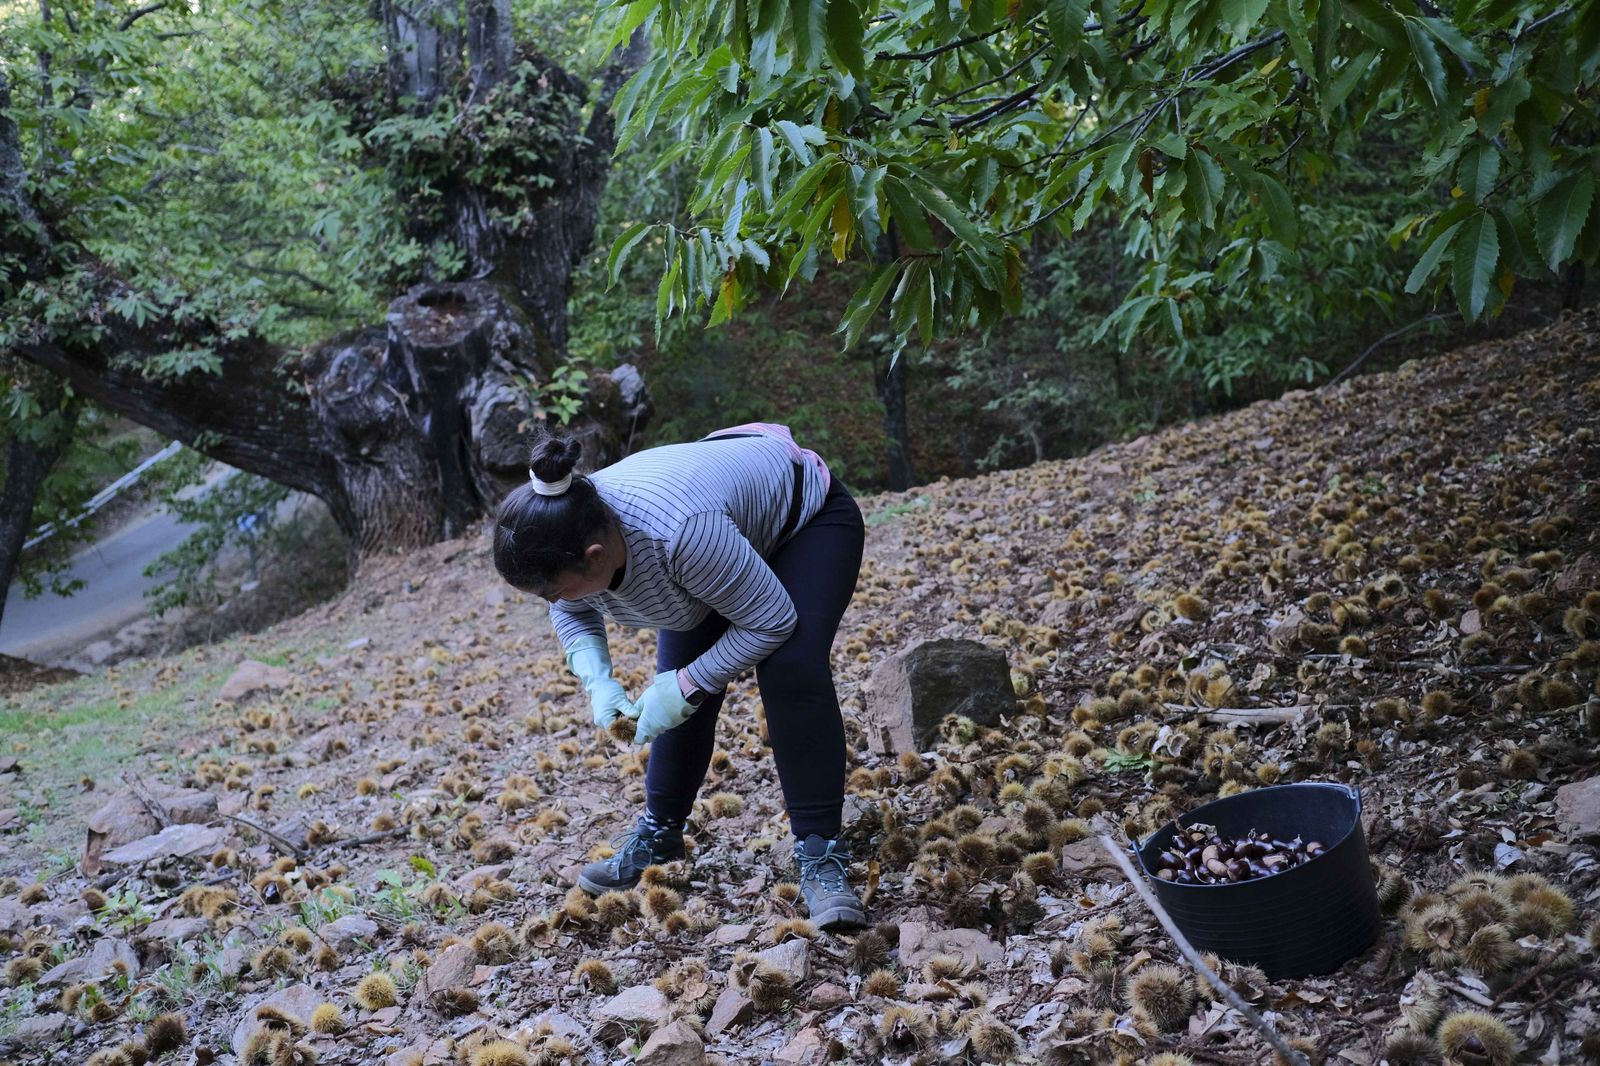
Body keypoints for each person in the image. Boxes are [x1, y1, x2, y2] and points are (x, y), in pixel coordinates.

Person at [491, 423, 868, 929]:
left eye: (554, 590)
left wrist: (688, 683)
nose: (553, 604)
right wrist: (597, 678)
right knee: (683, 683)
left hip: (803, 522)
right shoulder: (569, 523)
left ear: (595, 557)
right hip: (713, 545)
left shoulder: (680, 533)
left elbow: (772, 619)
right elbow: (569, 607)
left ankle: (821, 852)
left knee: (788, 668)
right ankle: (660, 831)